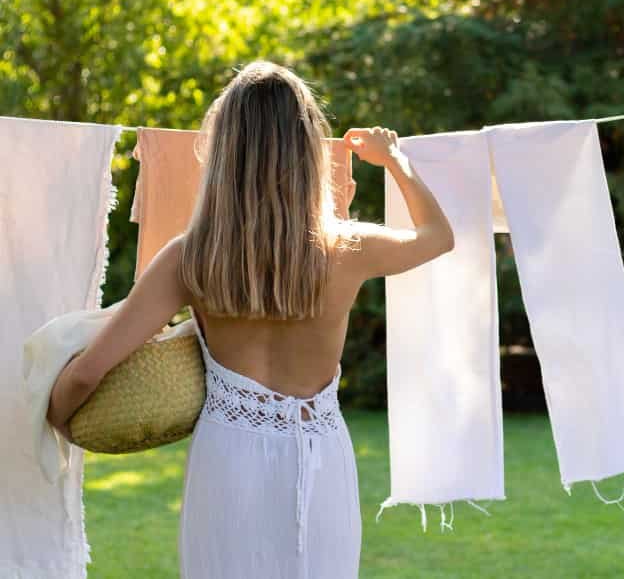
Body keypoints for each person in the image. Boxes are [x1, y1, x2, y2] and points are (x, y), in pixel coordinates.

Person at [44, 60, 455, 578]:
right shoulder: (347, 248)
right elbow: (438, 236)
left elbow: (86, 372)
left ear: (223, 152)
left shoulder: (189, 257)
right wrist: (394, 158)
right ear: (308, 149)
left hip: (229, 456)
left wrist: (58, 423)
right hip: (322, 453)